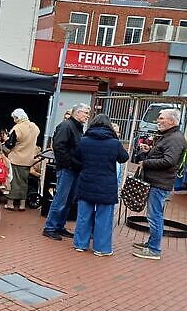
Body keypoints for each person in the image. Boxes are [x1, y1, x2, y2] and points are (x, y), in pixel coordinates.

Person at [133, 108, 186, 260]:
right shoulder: (169, 136)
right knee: (154, 215)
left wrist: (146, 162)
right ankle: (151, 244)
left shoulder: (175, 138)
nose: (158, 121)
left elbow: (169, 161)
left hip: (160, 183)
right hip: (157, 181)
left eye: (161, 118)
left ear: (171, 121)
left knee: (154, 216)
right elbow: (165, 155)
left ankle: (154, 249)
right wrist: (150, 150)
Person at [72, 114, 129, 256]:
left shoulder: (84, 141)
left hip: (86, 181)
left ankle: (80, 244)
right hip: (106, 184)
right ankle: (101, 248)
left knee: (84, 216)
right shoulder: (114, 143)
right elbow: (124, 158)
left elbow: (77, 156)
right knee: (104, 218)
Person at [42, 103, 90, 240]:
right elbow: (59, 147)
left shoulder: (76, 127)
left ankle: (59, 226)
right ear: (78, 113)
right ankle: (50, 227)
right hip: (68, 169)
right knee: (61, 200)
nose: (87, 116)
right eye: (86, 113)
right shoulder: (66, 126)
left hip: (73, 169)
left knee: (68, 201)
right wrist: (69, 164)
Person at [4, 108, 40, 211]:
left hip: (16, 158)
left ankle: (10, 203)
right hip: (28, 159)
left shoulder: (17, 128)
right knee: (24, 182)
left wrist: (6, 140)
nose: (14, 120)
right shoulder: (34, 127)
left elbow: (10, 144)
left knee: (13, 181)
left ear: (17, 117)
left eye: (14, 118)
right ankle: (22, 205)